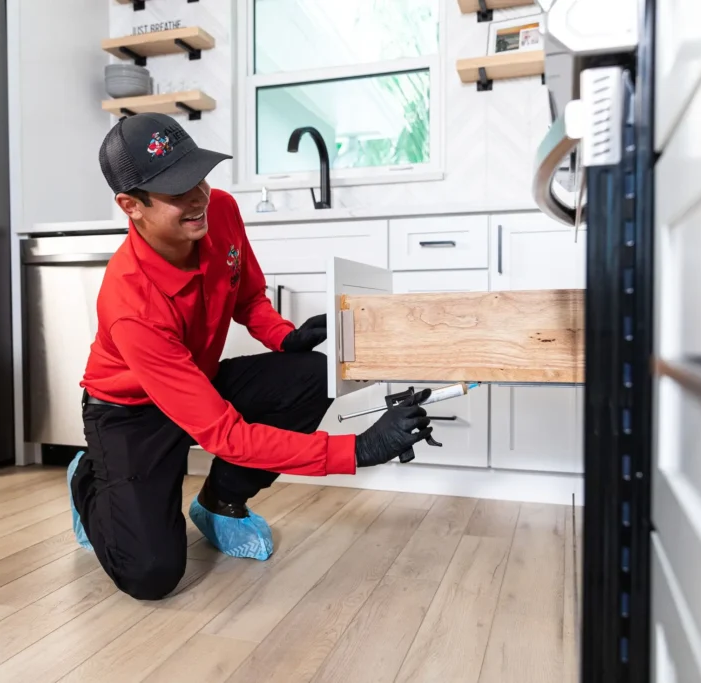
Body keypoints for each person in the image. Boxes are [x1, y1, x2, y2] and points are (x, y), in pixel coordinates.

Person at [68, 113, 433, 601]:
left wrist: (283, 337)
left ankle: (221, 501)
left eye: (198, 175)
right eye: (178, 191)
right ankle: (90, 481)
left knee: (311, 374)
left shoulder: (218, 210)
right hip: (130, 415)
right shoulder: (131, 303)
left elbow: (248, 297)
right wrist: (357, 451)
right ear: (131, 205)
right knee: (150, 574)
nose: (198, 196)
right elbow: (225, 436)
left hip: (197, 382)